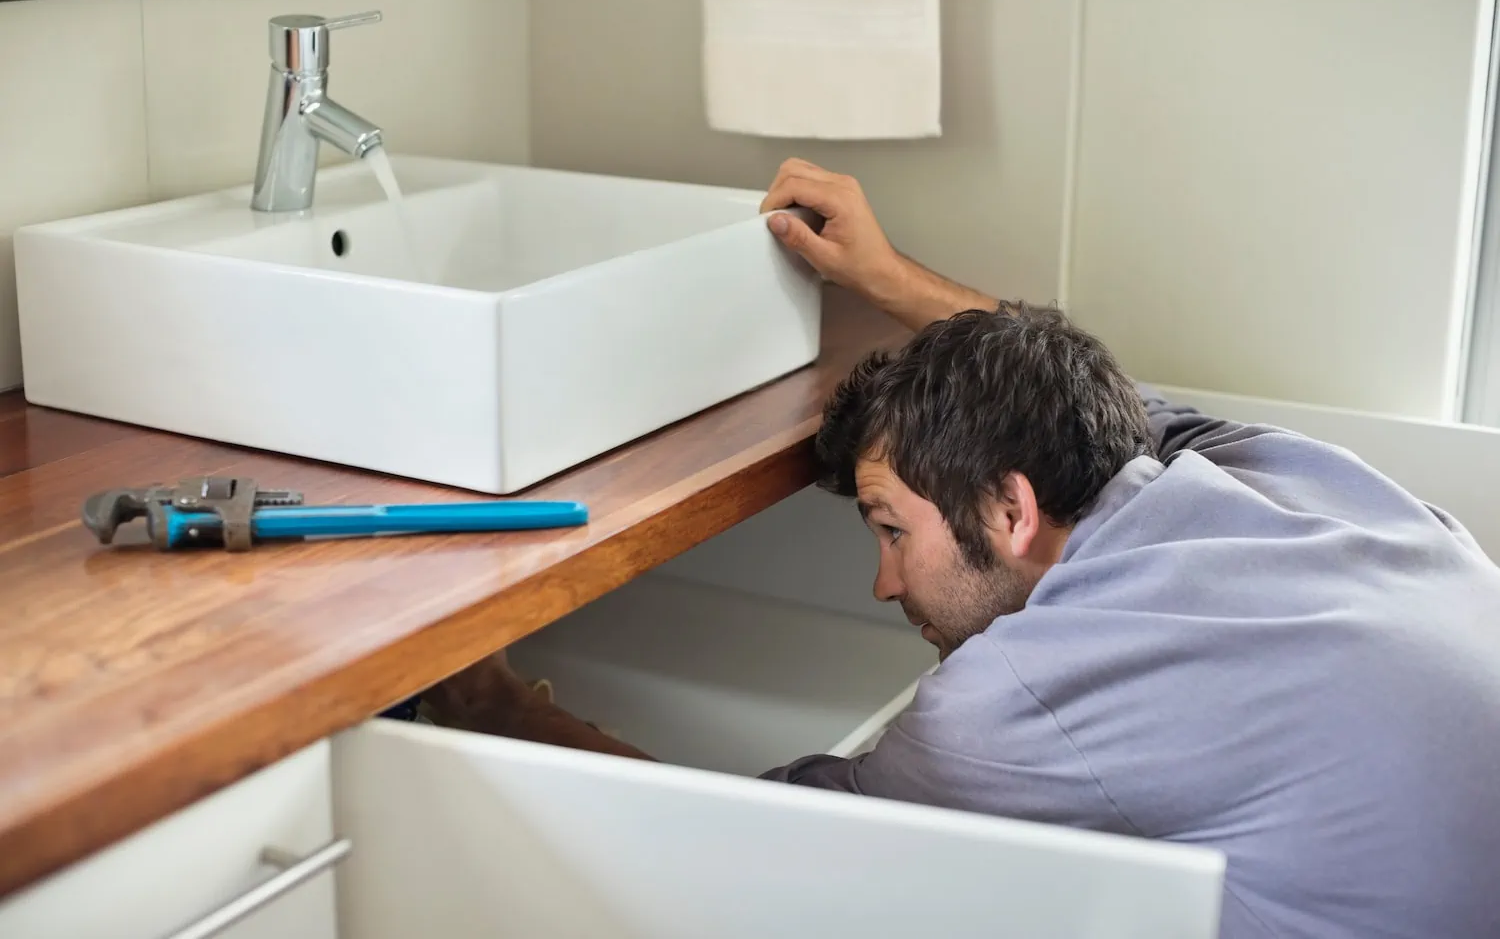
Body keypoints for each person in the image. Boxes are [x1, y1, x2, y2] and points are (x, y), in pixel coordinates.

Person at [425, 159, 1500, 939]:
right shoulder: (1284, 480)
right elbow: (1099, 391)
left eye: (892, 528)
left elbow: (756, 846)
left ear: (1010, 509)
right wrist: (886, 276)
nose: (882, 579)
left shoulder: (1024, 695)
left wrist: (495, 707)